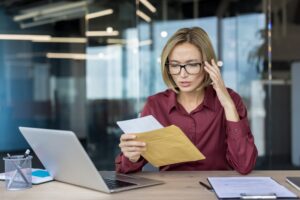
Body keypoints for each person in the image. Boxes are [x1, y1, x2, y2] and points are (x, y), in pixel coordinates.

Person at [115, 27, 257, 175]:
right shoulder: (156, 105)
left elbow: (244, 165)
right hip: (172, 192)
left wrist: (228, 105)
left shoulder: (230, 100)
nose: (183, 74)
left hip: (217, 190)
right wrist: (132, 157)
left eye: (192, 64)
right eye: (175, 65)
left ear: (208, 65)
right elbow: (124, 170)